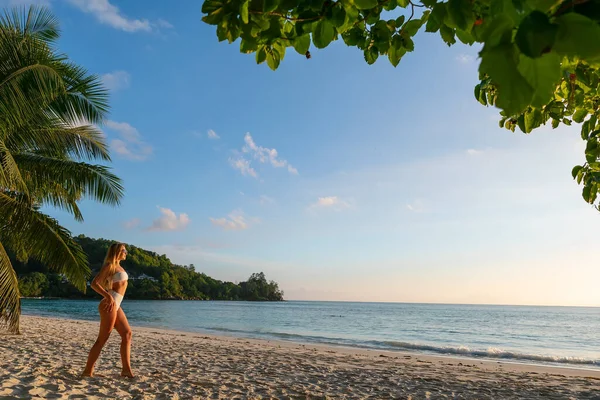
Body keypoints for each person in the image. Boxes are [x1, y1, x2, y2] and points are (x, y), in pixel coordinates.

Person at [82, 243, 134, 378]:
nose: (126, 252)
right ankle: (87, 371)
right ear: (117, 252)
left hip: (116, 304)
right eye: (124, 250)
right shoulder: (109, 265)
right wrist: (108, 296)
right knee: (102, 339)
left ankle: (126, 370)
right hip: (109, 305)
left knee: (127, 334)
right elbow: (94, 283)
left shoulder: (119, 267)